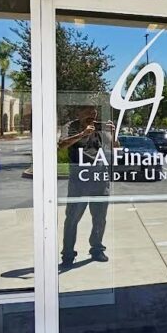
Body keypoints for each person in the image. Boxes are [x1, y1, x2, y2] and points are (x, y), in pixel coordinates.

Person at [59, 105, 117, 266]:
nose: (91, 114)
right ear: (78, 112)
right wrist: (83, 134)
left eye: (94, 111)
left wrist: (113, 133)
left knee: (100, 218)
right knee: (72, 218)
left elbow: (115, 148)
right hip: (79, 180)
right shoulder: (71, 126)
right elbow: (61, 144)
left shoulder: (100, 128)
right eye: (87, 111)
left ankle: (97, 249)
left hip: (100, 178)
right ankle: (68, 254)